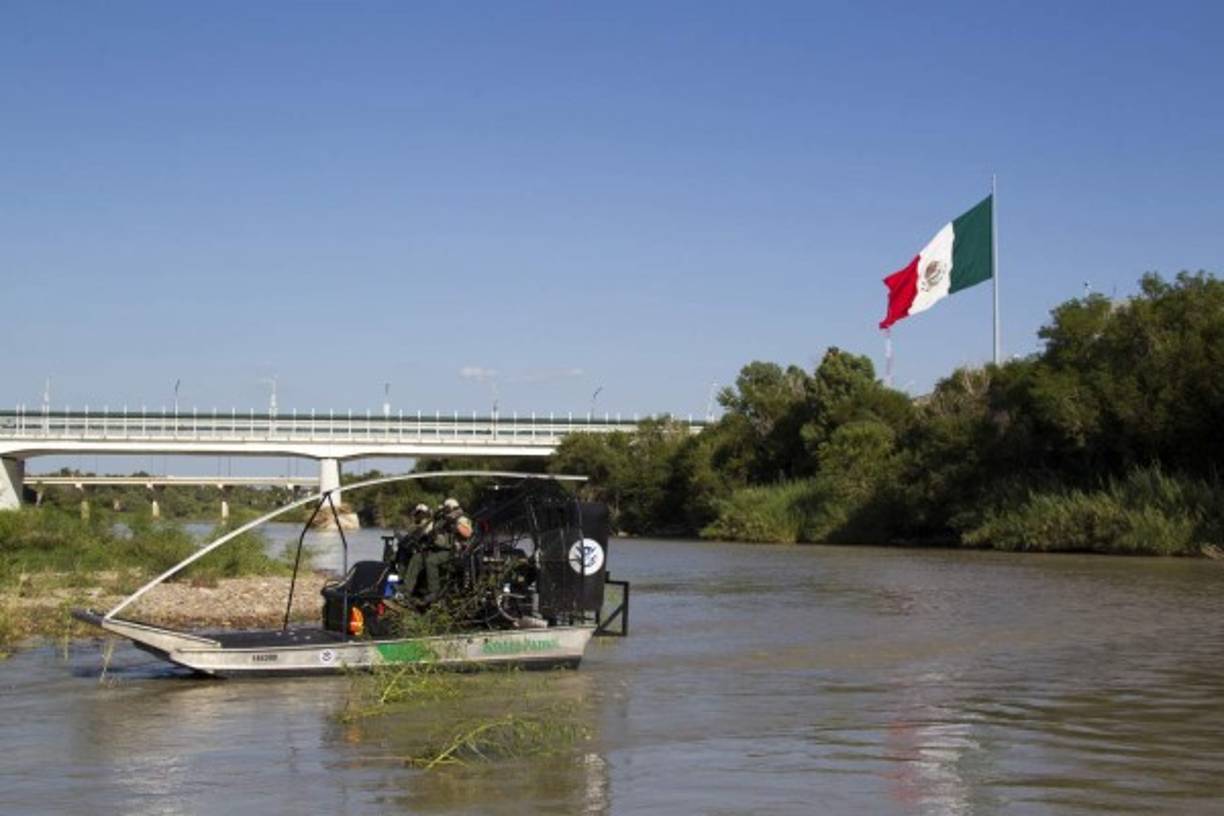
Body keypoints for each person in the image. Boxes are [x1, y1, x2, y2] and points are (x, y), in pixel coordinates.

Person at [401, 498, 473, 603]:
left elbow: (468, 533)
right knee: (417, 558)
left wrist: (454, 523)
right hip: (440, 549)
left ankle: (434, 592)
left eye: (447, 509)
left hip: (454, 552)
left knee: (431, 561)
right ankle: (406, 591)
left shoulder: (461, 519)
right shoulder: (442, 520)